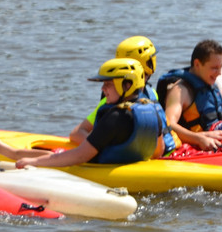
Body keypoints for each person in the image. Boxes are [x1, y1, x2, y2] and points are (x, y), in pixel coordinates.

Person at [18, 59, 165, 169]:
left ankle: (3, 149)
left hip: (100, 172)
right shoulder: (152, 108)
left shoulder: (114, 118)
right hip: (133, 169)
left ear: (127, 85)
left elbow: (80, 156)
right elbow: (159, 151)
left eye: (108, 84)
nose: (103, 89)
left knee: (24, 156)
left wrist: (34, 163)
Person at [68, 35, 177, 156]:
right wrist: (99, 147)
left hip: (159, 154)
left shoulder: (151, 93)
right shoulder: (110, 102)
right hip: (147, 158)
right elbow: (77, 133)